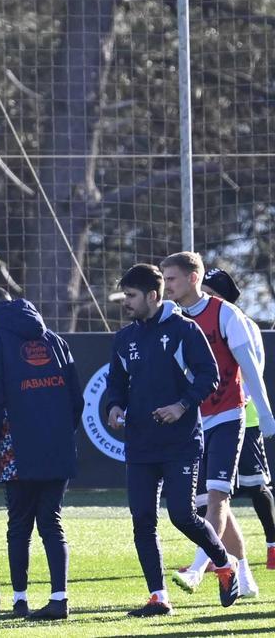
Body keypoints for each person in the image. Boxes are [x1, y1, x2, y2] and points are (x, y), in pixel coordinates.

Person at [104, 263, 238, 616]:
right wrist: (114, 407)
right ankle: (158, 596)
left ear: (152, 295)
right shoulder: (124, 339)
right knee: (143, 519)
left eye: (131, 296)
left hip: (180, 442)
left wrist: (181, 406)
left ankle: (225, 565)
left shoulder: (184, 331)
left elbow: (210, 377)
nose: (126, 303)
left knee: (181, 514)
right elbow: (114, 385)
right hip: (140, 444)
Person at [0, 286, 82, 620]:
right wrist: (62, 433)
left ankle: (20, 601)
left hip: (14, 444)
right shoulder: (56, 341)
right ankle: (59, 599)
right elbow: (76, 399)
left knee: (19, 523)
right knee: (52, 521)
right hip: (58, 444)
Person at [166, 261, 275, 594]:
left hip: (229, 415)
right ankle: (245, 579)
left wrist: (267, 414)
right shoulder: (174, 320)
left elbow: (251, 370)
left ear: (192, 278)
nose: (167, 285)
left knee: (217, 498)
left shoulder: (228, 316)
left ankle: (198, 569)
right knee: (204, 505)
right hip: (196, 421)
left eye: (172, 278)